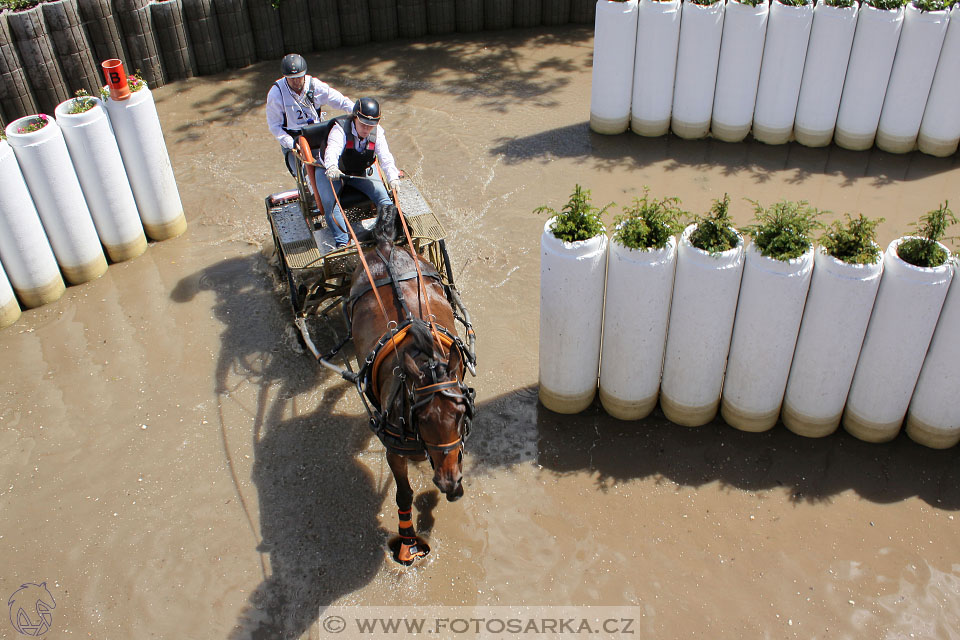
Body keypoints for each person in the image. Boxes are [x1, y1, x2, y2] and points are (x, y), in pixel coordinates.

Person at [320, 97, 402, 248]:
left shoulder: (378, 133)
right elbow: (332, 150)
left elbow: (386, 157)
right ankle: (343, 243)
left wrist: (393, 178)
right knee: (330, 205)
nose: (366, 130)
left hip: (360, 171)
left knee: (385, 199)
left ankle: (385, 239)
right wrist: (331, 167)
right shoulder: (339, 129)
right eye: (363, 124)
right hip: (333, 172)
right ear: (354, 118)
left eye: (370, 126)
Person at [265, 53, 354, 176]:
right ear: (285, 77)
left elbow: (342, 101)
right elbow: (274, 126)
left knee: (335, 162)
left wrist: (358, 113)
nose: (296, 82)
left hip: (316, 133)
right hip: (292, 139)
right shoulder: (276, 94)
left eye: (299, 77)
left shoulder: (316, 86)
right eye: (291, 78)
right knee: (305, 175)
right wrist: (291, 144)